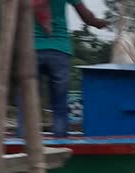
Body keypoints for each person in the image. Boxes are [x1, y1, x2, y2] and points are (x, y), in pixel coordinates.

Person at [33, 0, 107, 138]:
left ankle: (22, 145)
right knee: (60, 103)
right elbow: (87, 17)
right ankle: (60, 144)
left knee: (27, 101)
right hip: (60, 50)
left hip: (32, 49)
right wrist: (101, 23)